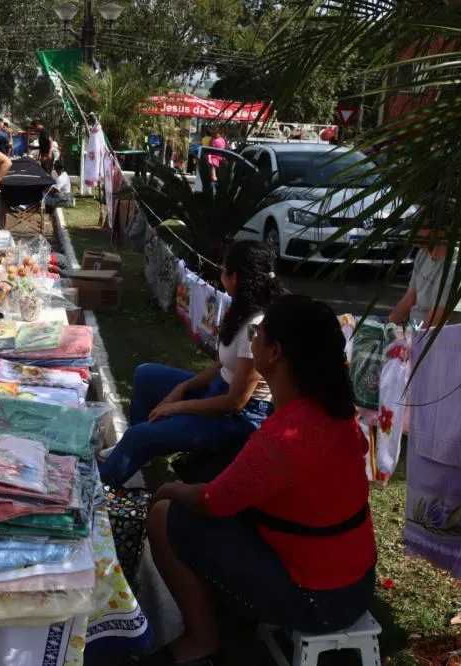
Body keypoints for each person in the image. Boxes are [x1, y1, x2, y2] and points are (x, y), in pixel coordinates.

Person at [141, 294, 376, 666]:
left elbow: (212, 502)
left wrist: (167, 488)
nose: (251, 342)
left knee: (165, 514)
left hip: (319, 600)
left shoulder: (286, 436)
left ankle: (202, 641)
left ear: (275, 352)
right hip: (358, 585)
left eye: (257, 333)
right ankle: (231, 608)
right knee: (208, 481)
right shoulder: (337, 414)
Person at [99, 241, 283, 485]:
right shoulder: (241, 309)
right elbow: (224, 366)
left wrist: (176, 407)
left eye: (223, 268)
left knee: (138, 436)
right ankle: (138, 453)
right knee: (145, 375)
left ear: (235, 277)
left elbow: (235, 403)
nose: (220, 273)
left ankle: (92, 501)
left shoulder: (256, 328)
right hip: (220, 390)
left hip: (240, 418)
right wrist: (182, 389)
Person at [388, 224, 461, 328]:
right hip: (413, 330)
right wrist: (387, 329)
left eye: (420, 222)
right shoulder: (423, 253)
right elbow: (409, 298)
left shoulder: (458, 268)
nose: (412, 227)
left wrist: (409, 341)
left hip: (438, 338)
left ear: (440, 231)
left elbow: (435, 322)